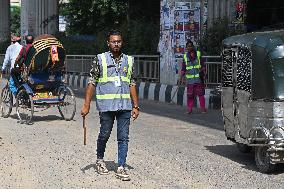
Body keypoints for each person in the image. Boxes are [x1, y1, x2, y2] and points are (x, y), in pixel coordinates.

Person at [81, 29, 139, 181]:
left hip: (124, 106)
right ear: (108, 43)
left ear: (122, 43)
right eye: (113, 41)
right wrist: (86, 105)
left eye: (118, 41)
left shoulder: (129, 60)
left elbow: (132, 83)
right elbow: (92, 82)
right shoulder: (100, 59)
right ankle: (100, 160)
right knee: (104, 134)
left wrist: (136, 106)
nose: (116, 44)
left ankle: (121, 166)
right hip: (106, 106)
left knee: (123, 137)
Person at [180, 40, 206, 114]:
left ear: (193, 46)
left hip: (198, 79)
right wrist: (181, 76)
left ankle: (203, 109)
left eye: (190, 46)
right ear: (186, 47)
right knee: (190, 96)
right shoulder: (185, 56)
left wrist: (203, 71)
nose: (189, 47)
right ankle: (189, 109)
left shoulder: (198, 54)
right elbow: (183, 67)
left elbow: (202, 64)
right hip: (190, 79)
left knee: (201, 95)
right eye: (188, 46)